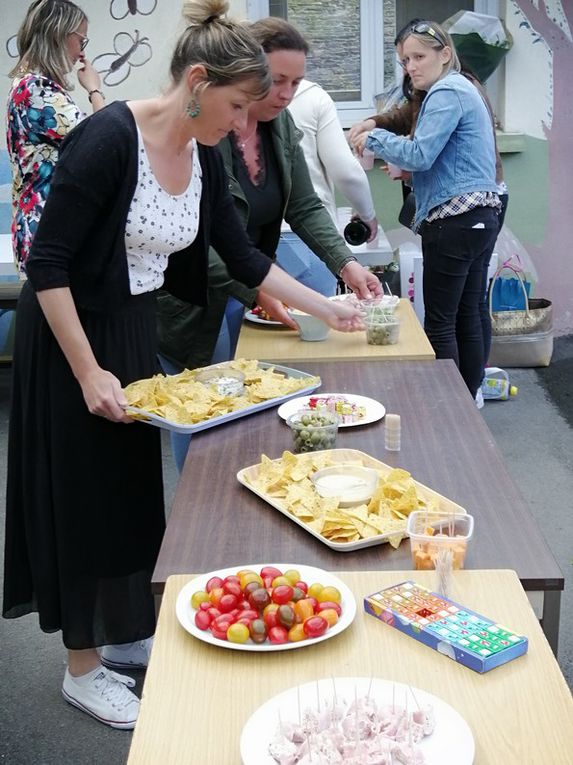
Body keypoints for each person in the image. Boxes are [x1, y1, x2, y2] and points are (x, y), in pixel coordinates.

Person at [2, 0, 364, 731]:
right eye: (235, 105)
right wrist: (86, 372)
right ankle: (82, 669)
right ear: (197, 81)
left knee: (133, 493)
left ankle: (127, 632)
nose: (239, 124)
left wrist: (329, 306)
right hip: (72, 333)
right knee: (82, 498)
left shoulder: (200, 151)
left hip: (132, 330)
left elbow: (242, 254)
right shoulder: (107, 140)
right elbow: (48, 263)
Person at [156, 17, 381, 378]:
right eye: (277, 81)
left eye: (296, 82)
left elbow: (304, 206)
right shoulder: (202, 134)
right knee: (205, 403)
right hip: (199, 300)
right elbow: (192, 241)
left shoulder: (281, 125)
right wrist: (260, 288)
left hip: (254, 282)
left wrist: (345, 263)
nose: (287, 94)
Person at [351, 21, 500, 398]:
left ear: (445, 54)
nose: (411, 67)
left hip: (453, 221)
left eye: (419, 57)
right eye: (404, 60)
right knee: (467, 313)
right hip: (480, 217)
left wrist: (374, 137)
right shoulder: (461, 88)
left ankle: (449, 407)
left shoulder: (447, 90)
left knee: (440, 323)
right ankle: (469, 401)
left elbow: (421, 154)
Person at [6, 0, 104, 278]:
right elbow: (105, 142)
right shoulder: (35, 89)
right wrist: (95, 90)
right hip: (49, 233)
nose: (81, 53)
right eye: (80, 41)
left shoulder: (28, 87)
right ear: (58, 34)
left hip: (43, 229)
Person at [282, 77, 378, 295]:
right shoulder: (312, 95)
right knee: (316, 325)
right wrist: (367, 213)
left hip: (253, 242)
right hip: (311, 237)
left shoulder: (235, 95)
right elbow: (345, 170)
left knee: (252, 327)